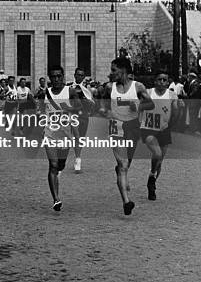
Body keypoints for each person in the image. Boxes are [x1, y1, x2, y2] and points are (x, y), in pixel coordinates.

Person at [99, 57, 154, 216]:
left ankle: (120, 170)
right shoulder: (110, 88)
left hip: (132, 127)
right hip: (115, 127)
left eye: (114, 70)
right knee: (123, 165)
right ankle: (126, 202)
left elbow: (150, 104)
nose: (111, 73)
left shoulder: (138, 87)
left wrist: (137, 105)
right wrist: (104, 110)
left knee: (126, 162)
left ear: (123, 70)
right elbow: (102, 102)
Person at [43, 65, 80, 211]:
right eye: (53, 77)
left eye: (59, 76)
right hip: (49, 134)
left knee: (60, 165)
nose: (56, 79)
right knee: (52, 164)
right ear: (50, 78)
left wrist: (68, 108)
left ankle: (58, 171)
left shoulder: (70, 91)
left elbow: (79, 107)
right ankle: (56, 199)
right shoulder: (45, 93)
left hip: (65, 135)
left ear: (63, 76)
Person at [140, 69, 179, 200]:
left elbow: (175, 113)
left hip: (164, 129)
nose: (162, 82)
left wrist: (170, 124)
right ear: (155, 81)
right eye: (159, 79)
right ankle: (152, 176)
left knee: (160, 161)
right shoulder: (148, 93)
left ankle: (152, 184)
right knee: (157, 154)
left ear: (168, 82)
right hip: (148, 128)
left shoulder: (172, 95)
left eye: (165, 80)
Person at [67, 68, 95, 173]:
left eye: (81, 75)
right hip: (72, 115)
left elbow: (93, 103)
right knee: (75, 136)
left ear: (84, 77)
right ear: (74, 75)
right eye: (77, 74)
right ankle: (73, 159)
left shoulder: (87, 88)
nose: (79, 76)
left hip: (83, 115)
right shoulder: (68, 87)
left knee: (80, 138)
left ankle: (77, 158)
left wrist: (87, 102)